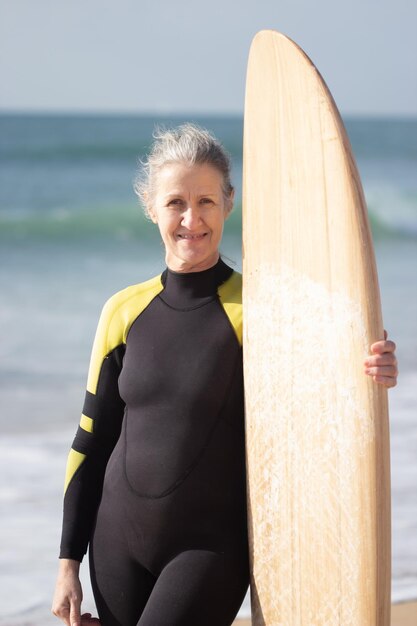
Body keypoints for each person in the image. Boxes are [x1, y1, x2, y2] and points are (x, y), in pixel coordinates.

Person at [52, 124, 398, 626]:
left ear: (229, 204)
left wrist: (377, 367)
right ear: (151, 208)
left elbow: (334, 384)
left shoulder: (261, 309)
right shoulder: (122, 312)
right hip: (115, 548)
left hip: (210, 549)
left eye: (206, 201)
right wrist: (68, 564)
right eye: (175, 203)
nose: (191, 219)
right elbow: (91, 440)